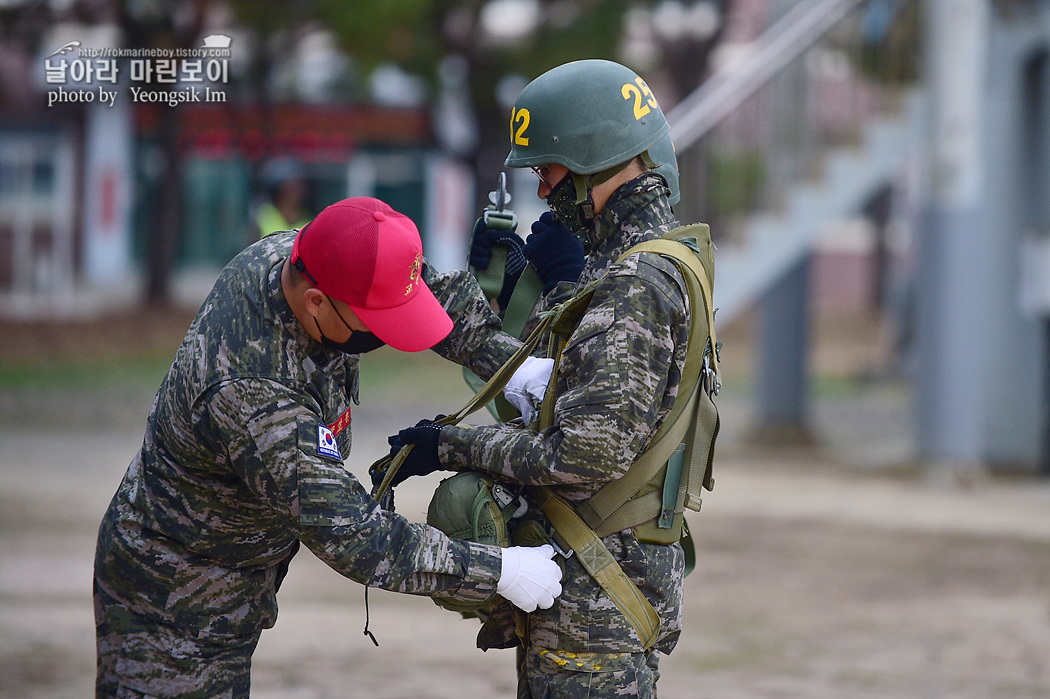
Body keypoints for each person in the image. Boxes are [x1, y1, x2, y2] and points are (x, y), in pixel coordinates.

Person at [93, 197, 563, 698]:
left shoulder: (321, 255)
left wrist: (513, 369)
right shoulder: (254, 394)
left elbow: (422, 290)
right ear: (316, 302)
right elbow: (356, 536)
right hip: (172, 601)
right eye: (374, 324)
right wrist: (502, 572)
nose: (385, 336)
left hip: (236, 578)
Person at [384, 59, 717, 698]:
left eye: (549, 170)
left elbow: (582, 455)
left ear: (595, 155)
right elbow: (551, 387)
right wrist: (505, 300)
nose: (542, 189)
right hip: (597, 586)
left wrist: (449, 445)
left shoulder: (633, 288)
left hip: (596, 603)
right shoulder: (645, 268)